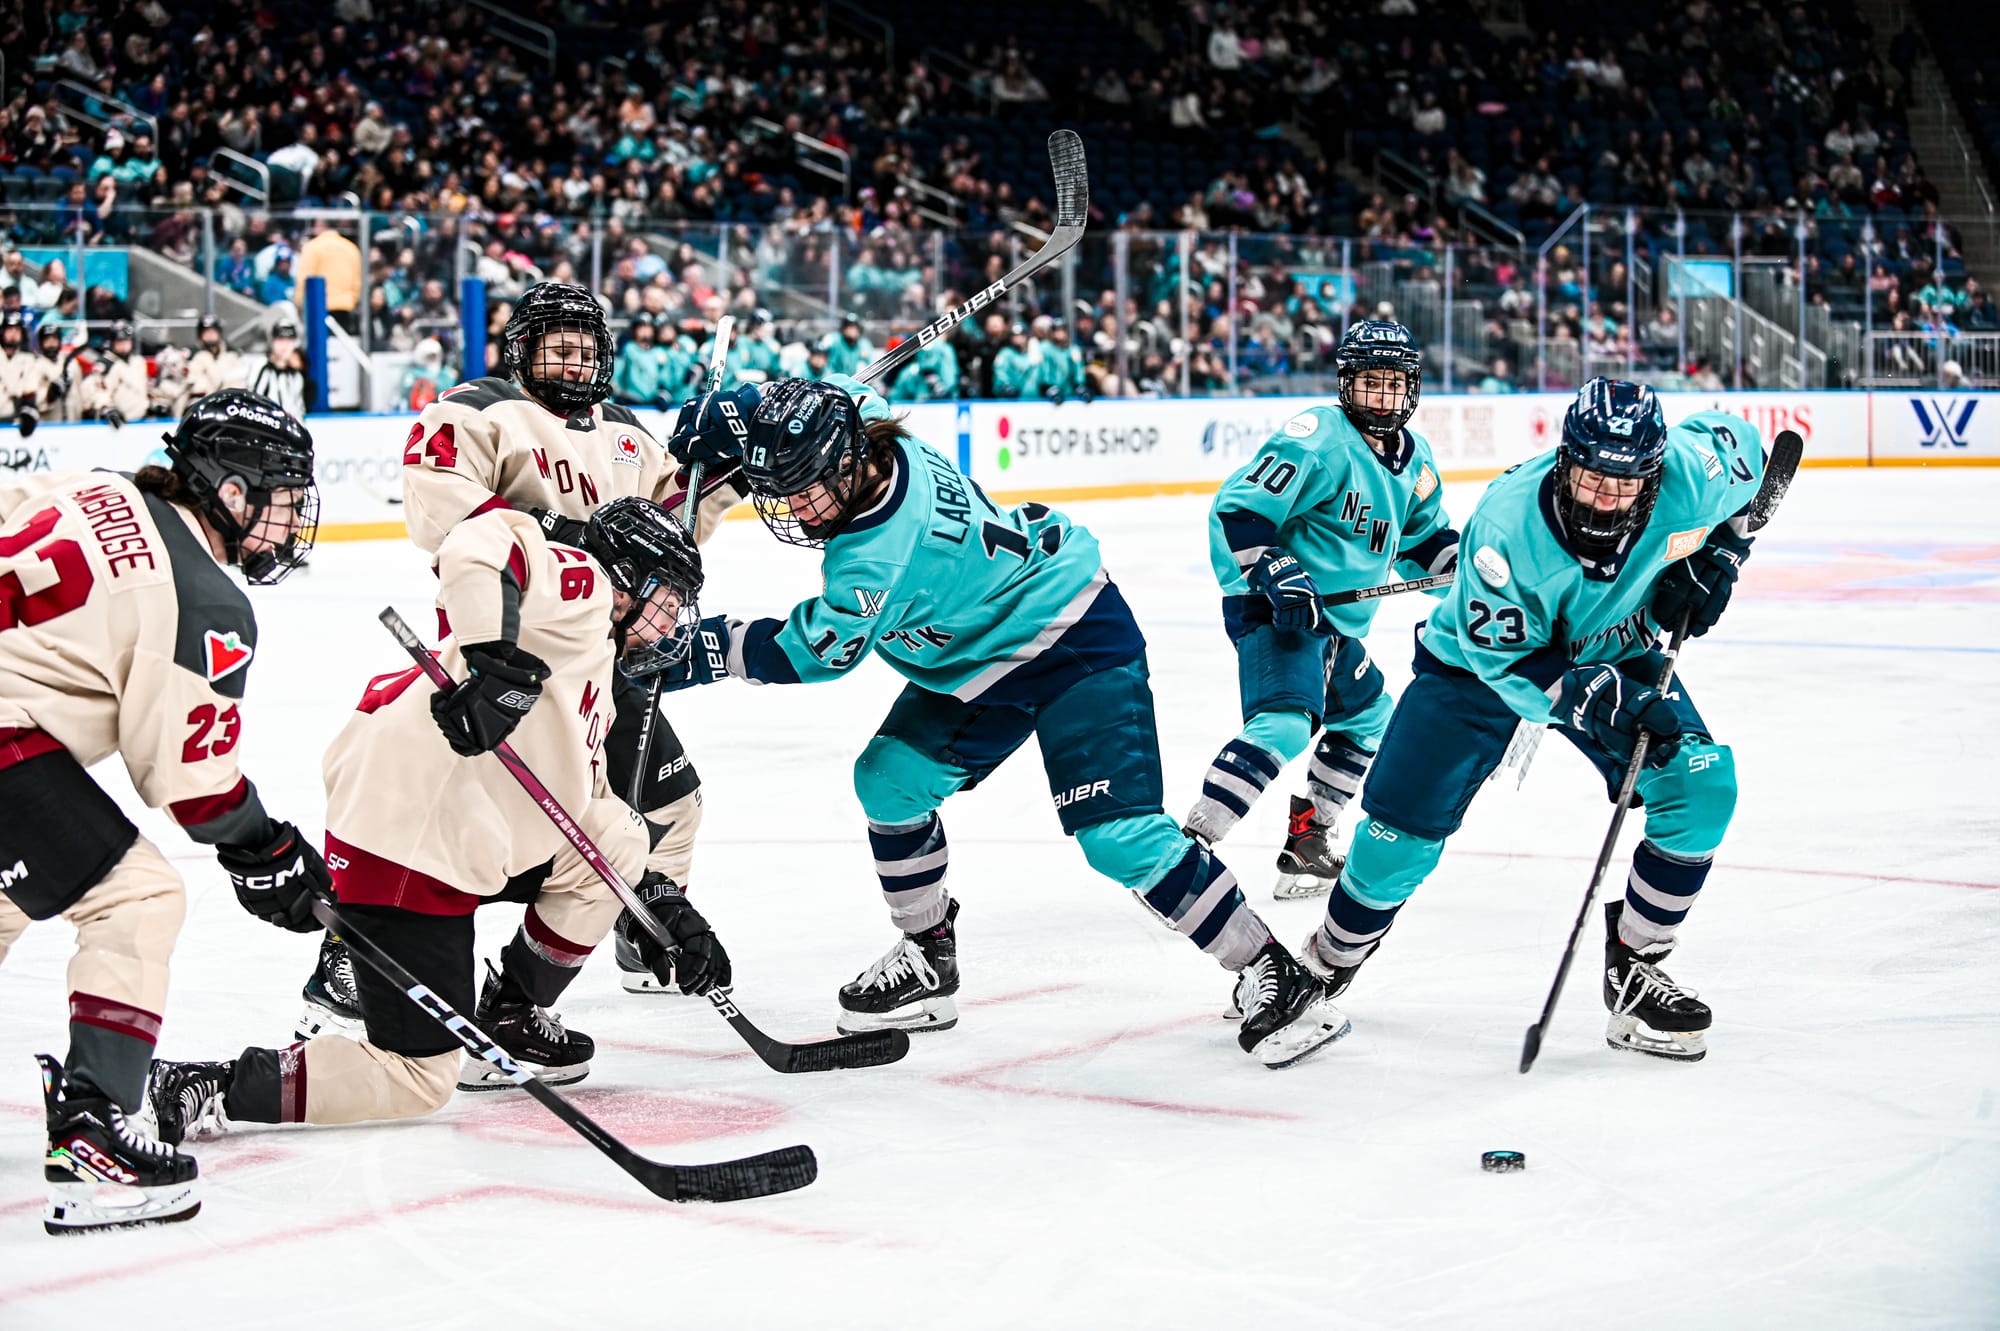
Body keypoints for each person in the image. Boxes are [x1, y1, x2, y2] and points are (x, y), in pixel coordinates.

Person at [658, 375, 1350, 1068]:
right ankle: (928, 957)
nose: (795, 509)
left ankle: (1276, 974)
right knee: (890, 783)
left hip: (1072, 633)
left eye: (805, 487)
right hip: (981, 660)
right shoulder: (864, 428)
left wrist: (689, 649)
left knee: (1119, 837)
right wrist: (738, 414)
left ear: (847, 462)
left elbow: (812, 653)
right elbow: (827, 395)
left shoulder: (874, 556)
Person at [141, 498, 732, 1145]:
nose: (674, 620)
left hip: (460, 831)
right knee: (418, 1075)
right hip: (407, 838)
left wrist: (654, 903)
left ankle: (510, 1013)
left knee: (619, 839)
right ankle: (213, 1087)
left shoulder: (595, 665)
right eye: (668, 597)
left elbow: (587, 809)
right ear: (627, 581)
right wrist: (494, 663)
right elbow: (478, 541)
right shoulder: (583, 587)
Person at [292, 282, 715, 1038]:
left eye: (587, 347)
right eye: (558, 343)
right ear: (521, 347)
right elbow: (449, 522)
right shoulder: (473, 410)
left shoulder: (624, 431)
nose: (574, 359)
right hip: (512, 652)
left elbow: (674, 523)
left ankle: (628, 935)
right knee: (453, 810)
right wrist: (572, 541)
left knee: (666, 805)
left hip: (607, 655)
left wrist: (721, 465)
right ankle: (353, 951)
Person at [1300, 379, 1764, 1062]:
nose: (1604, 497)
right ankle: (1325, 962)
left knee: (1702, 786)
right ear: (1563, 458)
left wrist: (1722, 551)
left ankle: (1635, 967)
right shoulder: (1505, 526)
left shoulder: (1691, 476)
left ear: (1655, 472)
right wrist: (1591, 698)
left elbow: (1751, 454)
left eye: (1623, 484)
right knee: (1396, 841)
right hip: (1479, 666)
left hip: (1616, 642)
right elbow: (1509, 663)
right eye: (1590, 477)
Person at [0, 390, 325, 1233]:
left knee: (7, 900)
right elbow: (196, 787)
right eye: (282, 502)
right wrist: (271, 849)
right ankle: (93, 1130)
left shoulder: (94, 485)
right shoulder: (209, 601)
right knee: (139, 896)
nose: (290, 527)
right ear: (229, 492)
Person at [1184, 321, 1459, 899]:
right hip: (1277, 608)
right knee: (1286, 722)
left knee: (1367, 717)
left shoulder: (1417, 460)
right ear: (1345, 385)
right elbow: (1242, 512)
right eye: (1368, 384)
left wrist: (1466, 574)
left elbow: (1423, 543)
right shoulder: (1316, 438)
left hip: (1335, 624)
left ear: (1411, 388)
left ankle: (1308, 841)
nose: (1380, 398)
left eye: (1392, 384)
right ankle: (1187, 852)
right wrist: (1276, 567)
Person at [74, 321, 150, 427]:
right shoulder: (106, 364)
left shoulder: (139, 362)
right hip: (117, 422)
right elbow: (98, 392)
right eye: (119, 341)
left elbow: (144, 388)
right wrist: (106, 408)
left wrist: (151, 404)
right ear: (112, 342)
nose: (123, 345)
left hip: (141, 420)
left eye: (126, 341)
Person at [247, 320, 312, 419]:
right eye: (280, 339)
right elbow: (250, 401)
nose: (285, 345)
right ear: (272, 341)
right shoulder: (259, 366)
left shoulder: (296, 376)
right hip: (261, 427)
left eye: (289, 340)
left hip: (285, 430)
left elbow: (298, 411)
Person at [182, 314, 247, 410]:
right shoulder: (195, 356)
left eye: (212, 332)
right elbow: (192, 385)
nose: (210, 336)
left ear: (219, 333)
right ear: (200, 335)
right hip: (202, 405)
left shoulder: (232, 355)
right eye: (206, 332)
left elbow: (240, 383)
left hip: (229, 405)